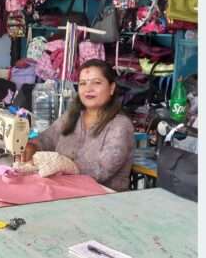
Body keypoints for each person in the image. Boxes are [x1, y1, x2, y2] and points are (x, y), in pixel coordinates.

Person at [22, 59, 134, 192]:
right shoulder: (72, 116)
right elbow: (48, 139)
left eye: (96, 83)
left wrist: (64, 164)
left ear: (111, 88)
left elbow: (102, 170)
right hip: (64, 191)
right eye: (83, 83)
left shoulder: (121, 125)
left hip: (104, 197)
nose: (88, 89)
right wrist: (33, 146)